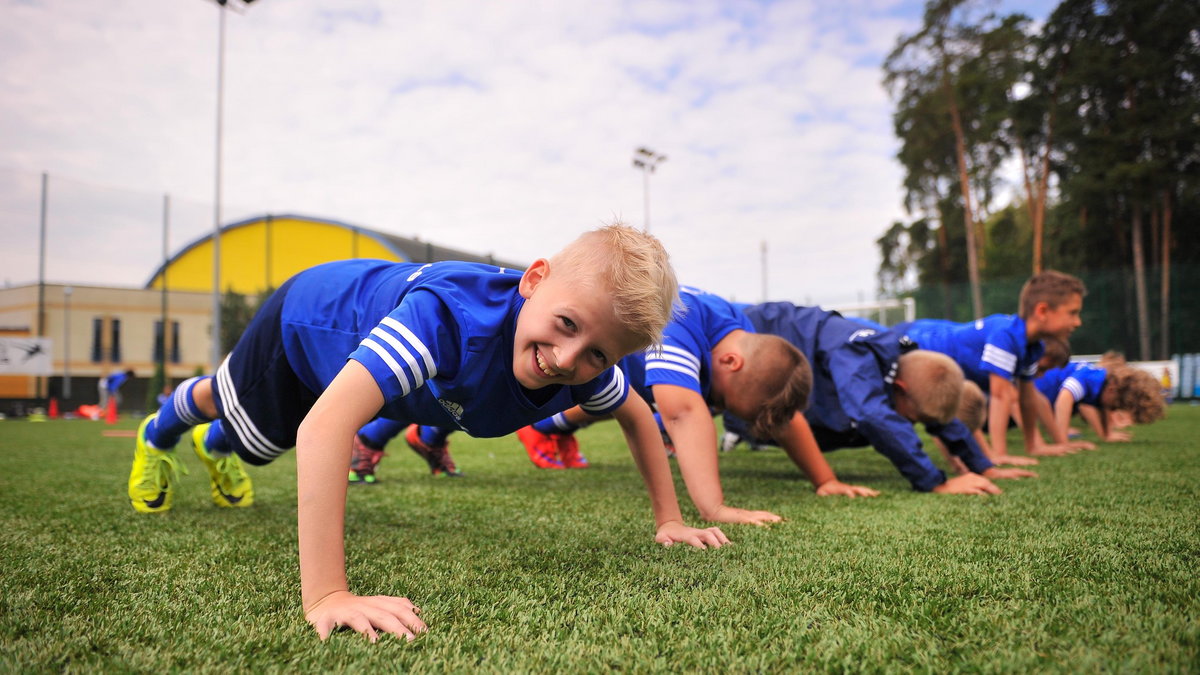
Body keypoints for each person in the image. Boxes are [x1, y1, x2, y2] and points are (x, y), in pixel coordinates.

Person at [125, 224, 729, 643]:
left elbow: (636, 418)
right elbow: (328, 427)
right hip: (312, 324)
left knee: (257, 443)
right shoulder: (448, 319)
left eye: (597, 353)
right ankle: (161, 430)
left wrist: (668, 520)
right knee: (233, 403)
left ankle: (218, 447)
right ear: (533, 281)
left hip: (356, 359)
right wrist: (328, 596)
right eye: (565, 324)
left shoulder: (587, 362)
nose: (568, 359)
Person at [517, 286, 878, 527]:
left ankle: (551, 431)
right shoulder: (680, 319)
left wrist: (825, 480)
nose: (721, 409)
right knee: (604, 399)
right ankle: (538, 429)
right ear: (732, 362)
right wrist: (714, 507)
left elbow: (778, 414)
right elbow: (684, 413)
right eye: (723, 402)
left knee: (617, 404)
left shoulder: (742, 333)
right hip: (599, 366)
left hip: (636, 385)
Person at [721, 304, 1035, 494]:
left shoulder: (902, 360)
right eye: (911, 418)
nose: (912, 425)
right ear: (899, 387)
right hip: (748, 337)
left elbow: (935, 415)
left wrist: (983, 466)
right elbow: (870, 413)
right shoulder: (856, 355)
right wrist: (935, 482)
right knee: (861, 420)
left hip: (801, 356)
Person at [895, 270, 1086, 465]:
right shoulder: (1006, 335)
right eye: (1073, 313)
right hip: (915, 342)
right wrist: (998, 454)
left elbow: (1027, 398)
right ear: (1042, 311)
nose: (1077, 322)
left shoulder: (1033, 346)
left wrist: (1034, 445)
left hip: (939, 351)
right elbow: (1000, 396)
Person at [1035, 362, 1166, 443]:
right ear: (1112, 390)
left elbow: (1104, 406)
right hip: (1024, 394)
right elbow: (1064, 398)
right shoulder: (1090, 379)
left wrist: (1106, 434)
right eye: (1116, 405)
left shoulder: (1102, 383)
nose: (1113, 410)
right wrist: (1062, 440)